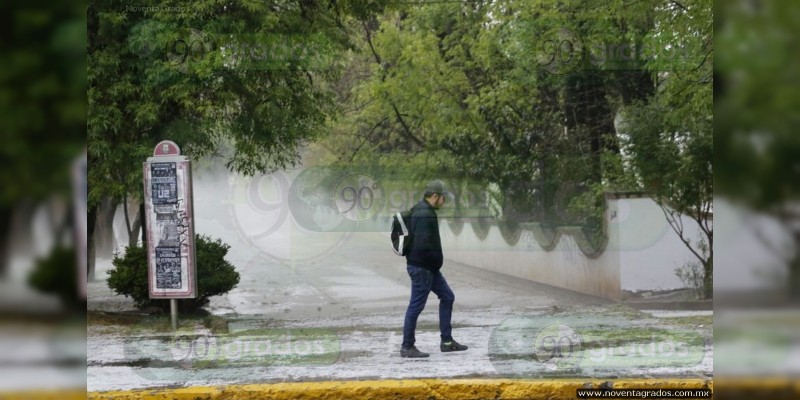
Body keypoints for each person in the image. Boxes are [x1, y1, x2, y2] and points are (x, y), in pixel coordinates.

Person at [400, 179, 468, 358]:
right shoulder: (424, 213)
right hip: (423, 268)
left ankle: (446, 341)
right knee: (415, 306)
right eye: (443, 198)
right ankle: (407, 347)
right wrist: (433, 263)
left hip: (428, 268)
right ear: (435, 196)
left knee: (447, 297)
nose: (444, 202)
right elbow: (423, 245)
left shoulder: (422, 209)